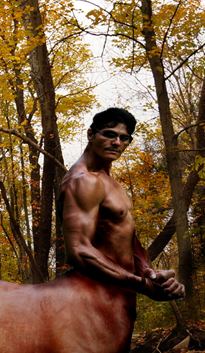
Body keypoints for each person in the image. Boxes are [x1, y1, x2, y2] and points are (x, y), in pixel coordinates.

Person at [61, 108, 185, 301]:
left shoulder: (110, 183)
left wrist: (148, 273)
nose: (117, 143)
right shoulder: (84, 181)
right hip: (90, 298)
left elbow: (126, 238)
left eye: (124, 138)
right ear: (91, 134)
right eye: (110, 135)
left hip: (118, 295)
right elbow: (79, 251)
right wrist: (143, 285)